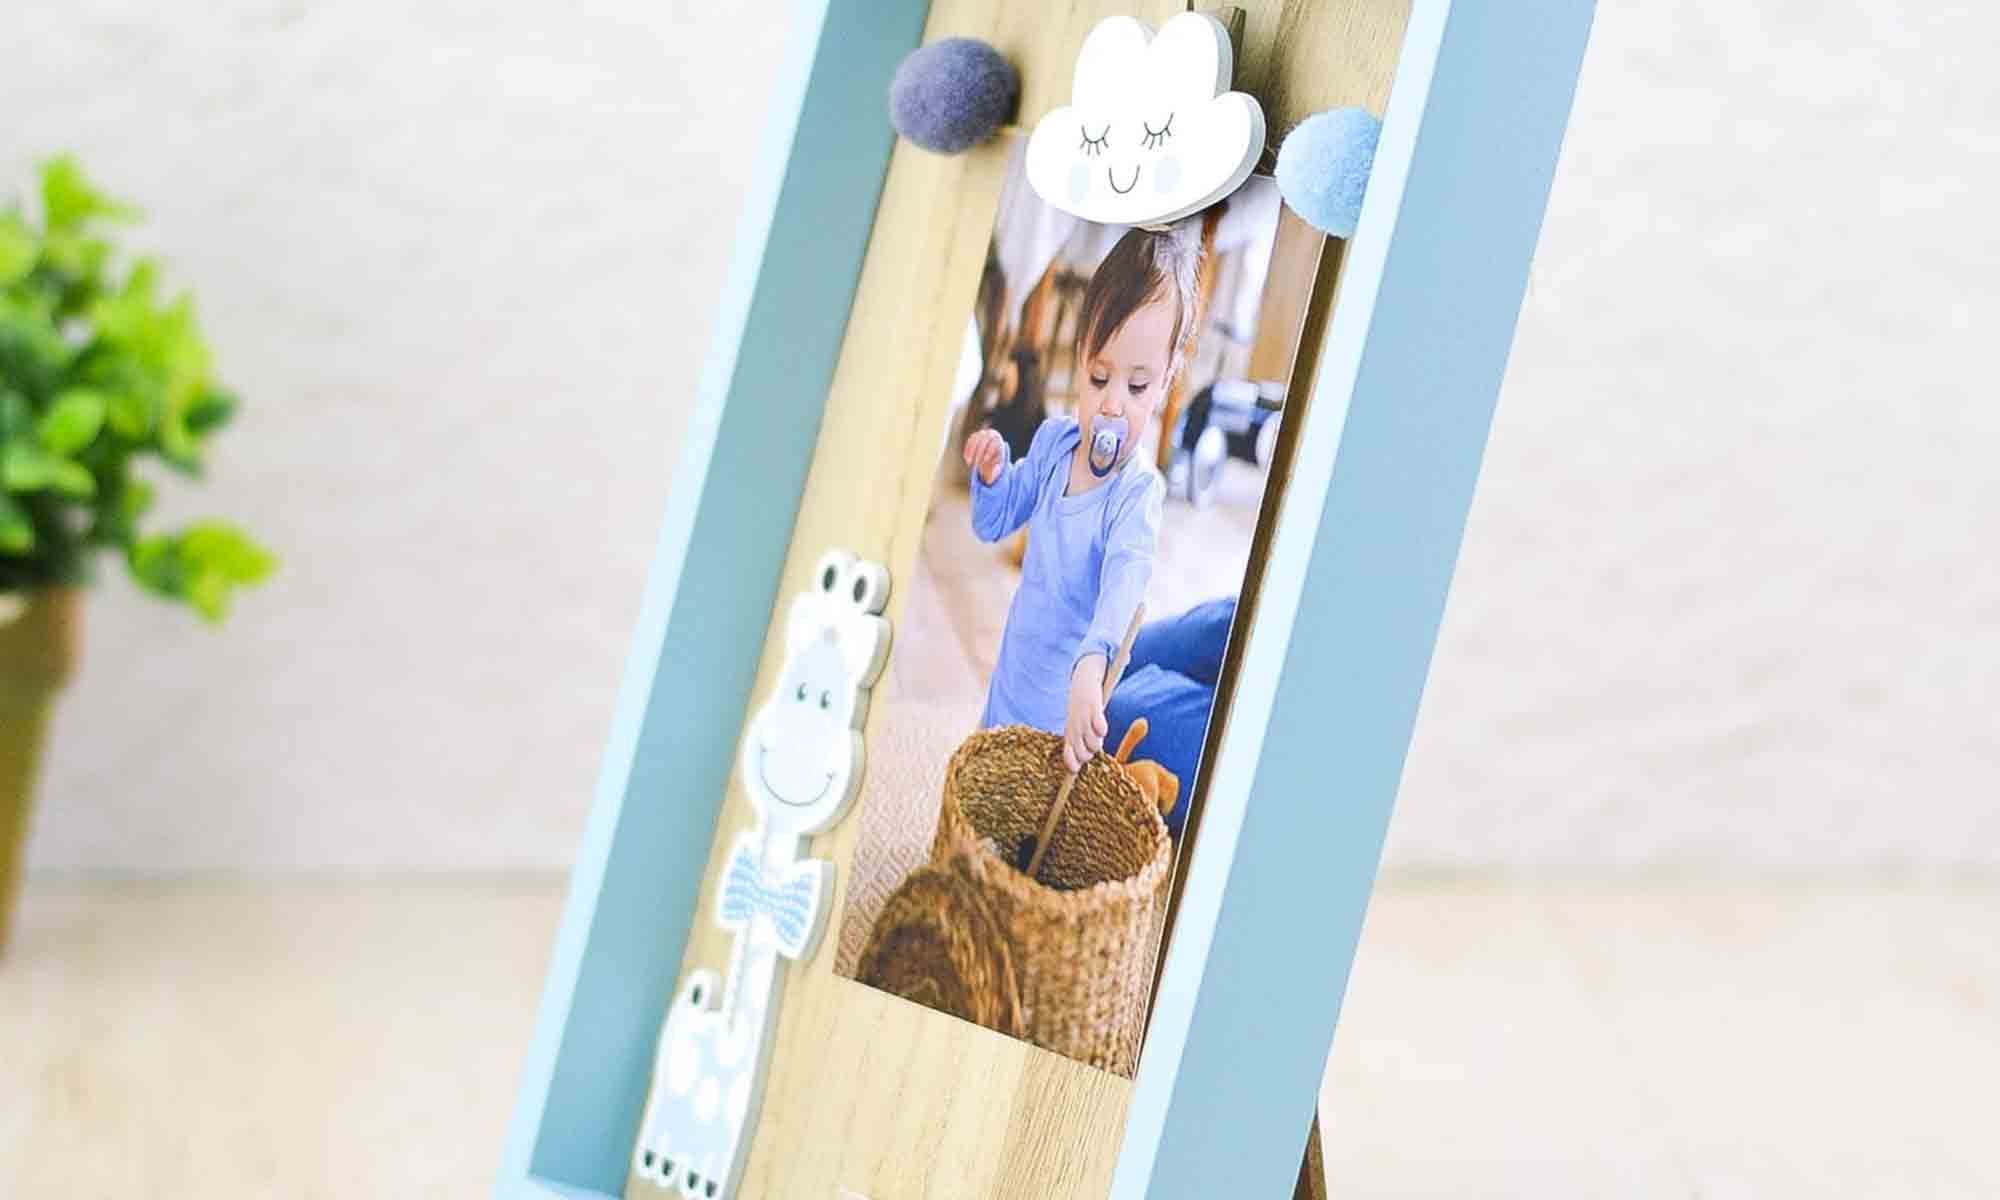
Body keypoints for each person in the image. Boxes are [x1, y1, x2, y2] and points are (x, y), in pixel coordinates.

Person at [961, 226, 1201, 773]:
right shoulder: (1053, 443)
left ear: (1166, 381)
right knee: (981, 787)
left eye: (1137, 388)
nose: (1113, 404)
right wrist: (993, 475)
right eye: (1098, 378)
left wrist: (1093, 665)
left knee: (1031, 805)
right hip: (1012, 676)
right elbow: (993, 522)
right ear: (1080, 358)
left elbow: (1124, 586)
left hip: (1065, 704)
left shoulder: (1135, 495)